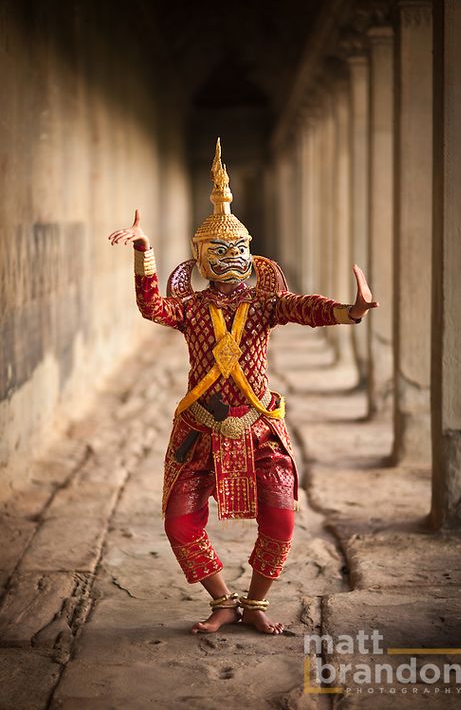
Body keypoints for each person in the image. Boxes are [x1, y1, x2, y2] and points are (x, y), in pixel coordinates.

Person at [108, 139, 378, 635]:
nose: (231, 258)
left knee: (281, 518)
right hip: (200, 429)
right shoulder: (189, 308)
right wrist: (145, 250)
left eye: (239, 250)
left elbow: (305, 308)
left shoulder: (265, 303)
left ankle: (255, 603)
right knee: (179, 522)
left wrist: (351, 311)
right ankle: (222, 599)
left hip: (258, 428)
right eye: (220, 251)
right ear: (200, 256)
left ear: (252, 254)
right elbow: (153, 308)